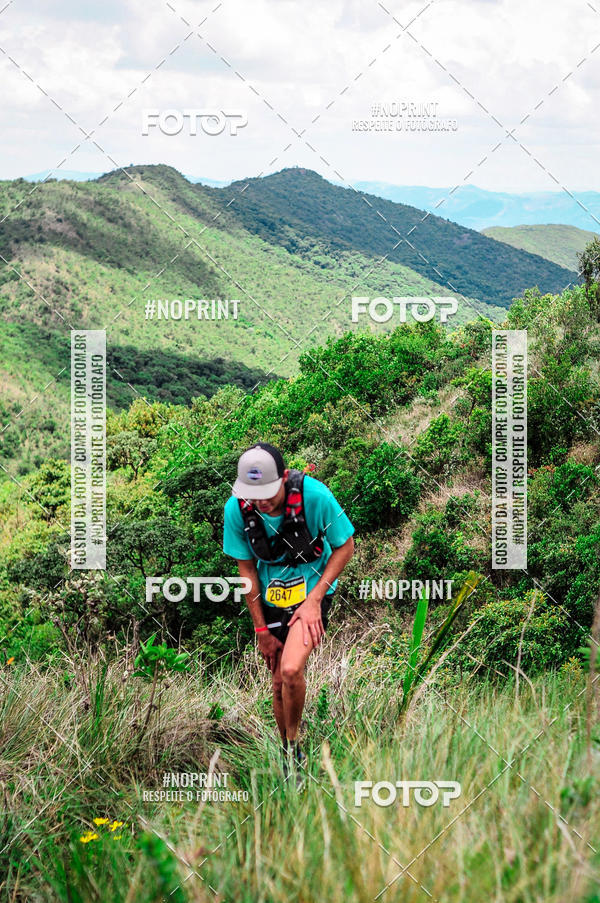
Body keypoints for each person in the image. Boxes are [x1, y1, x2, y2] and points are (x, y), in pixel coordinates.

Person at [223, 442, 355, 787]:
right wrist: (261, 630)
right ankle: (289, 756)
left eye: (268, 493)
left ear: (284, 477)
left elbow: (346, 545)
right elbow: (247, 570)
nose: (262, 503)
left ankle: (295, 744)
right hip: (269, 596)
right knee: (279, 681)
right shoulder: (237, 510)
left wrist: (315, 599)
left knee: (293, 668)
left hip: (313, 586)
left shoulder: (314, 496)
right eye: (255, 496)